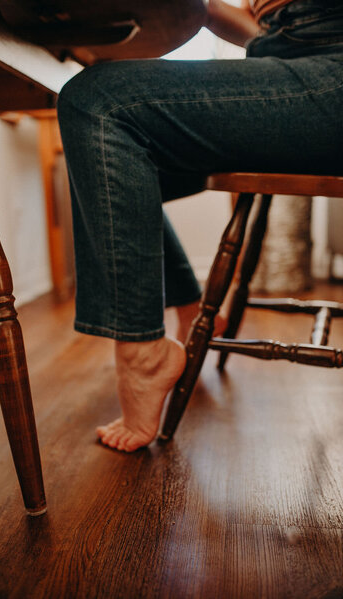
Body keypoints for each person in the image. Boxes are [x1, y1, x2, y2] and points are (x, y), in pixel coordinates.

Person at [57, 0, 343, 452]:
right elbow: (260, 26)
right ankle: (191, 310)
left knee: (98, 105)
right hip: (292, 55)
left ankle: (143, 352)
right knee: (99, 157)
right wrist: (208, 10)